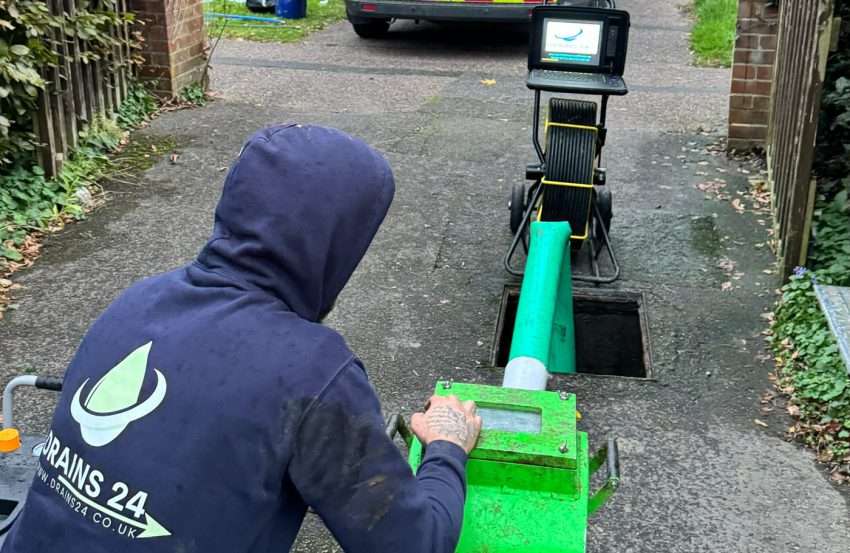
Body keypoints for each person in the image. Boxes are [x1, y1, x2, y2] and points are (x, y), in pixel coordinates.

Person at [1, 124, 482, 552]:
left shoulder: (138, 299)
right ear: (341, 242)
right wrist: (446, 447)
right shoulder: (312, 374)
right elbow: (417, 542)